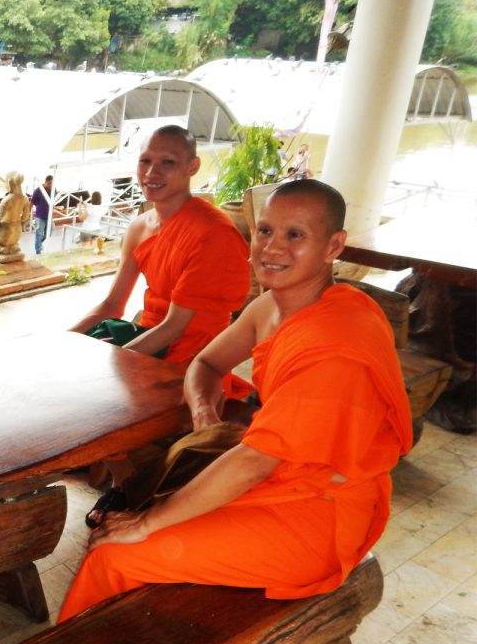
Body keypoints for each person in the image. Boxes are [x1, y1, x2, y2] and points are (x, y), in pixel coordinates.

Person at [58, 180, 413, 620]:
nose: (272, 247)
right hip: (276, 478)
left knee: (117, 552)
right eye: (265, 231)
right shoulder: (270, 308)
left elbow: (253, 462)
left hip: (318, 512)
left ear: (333, 246)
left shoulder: (337, 335)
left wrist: (147, 523)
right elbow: (206, 364)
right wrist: (205, 415)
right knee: (151, 501)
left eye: (295, 235)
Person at [70, 126, 250, 371]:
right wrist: (60, 342)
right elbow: (112, 305)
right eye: (145, 161)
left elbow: (174, 327)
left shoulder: (213, 233)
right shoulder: (139, 228)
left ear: (192, 166)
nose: (151, 173)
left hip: (194, 361)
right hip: (146, 339)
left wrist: (113, 367)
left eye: (168, 162)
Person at [30, 174, 55, 255]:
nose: (51, 185)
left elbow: (53, 201)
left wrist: (56, 208)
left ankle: (39, 243)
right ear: (45, 182)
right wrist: (28, 214)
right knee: (39, 233)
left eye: (52, 183)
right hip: (40, 216)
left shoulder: (53, 190)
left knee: (49, 233)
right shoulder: (38, 190)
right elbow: (31, 202)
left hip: (49, 215)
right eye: (49, 183)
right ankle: (38, 251)